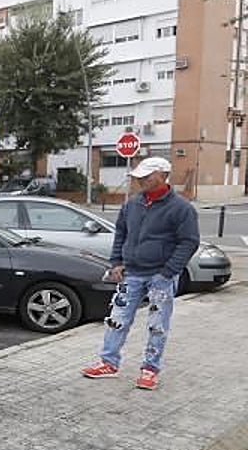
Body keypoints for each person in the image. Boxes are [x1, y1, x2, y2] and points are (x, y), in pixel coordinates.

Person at [80, 157, 199, 390]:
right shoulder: (131, 204)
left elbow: (189, 242)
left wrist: (168, 272)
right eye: (139, 176)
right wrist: (117, 262)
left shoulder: (181, 208)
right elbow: (121, 234)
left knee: (157, 324)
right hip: (131, 273)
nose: (140, 180)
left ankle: (150, 369)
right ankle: (108, 362)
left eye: (146, 175)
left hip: (160, 276)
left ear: (163, 175)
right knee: (117, 319)